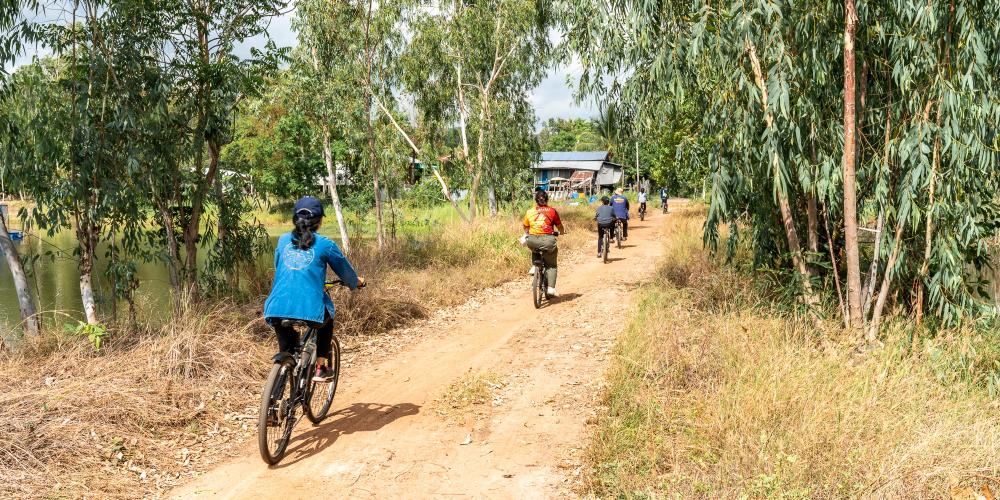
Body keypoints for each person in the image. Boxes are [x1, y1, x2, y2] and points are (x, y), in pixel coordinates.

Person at [264, 196, 363, 383]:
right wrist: (357, 282)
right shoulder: (326, 244)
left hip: (276, 307)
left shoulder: (283, 240)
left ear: (295, 219)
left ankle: (278, 386)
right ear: (319, 221)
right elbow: (347, 274)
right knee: (328, 319)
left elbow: (280, 267)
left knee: (287, 351)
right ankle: (321, 367)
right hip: (309, 307)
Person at [522, 190, 565, 296]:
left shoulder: (529, 211)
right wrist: (562, 232)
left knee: (534, 247)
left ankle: (534, 265)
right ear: (547, 199)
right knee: (551, 265)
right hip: (548, 240)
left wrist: (527, 233)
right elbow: (559, 226)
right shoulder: (552, 211)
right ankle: (551, 288)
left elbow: (526, 226)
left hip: (532, 240)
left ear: (536, 200)